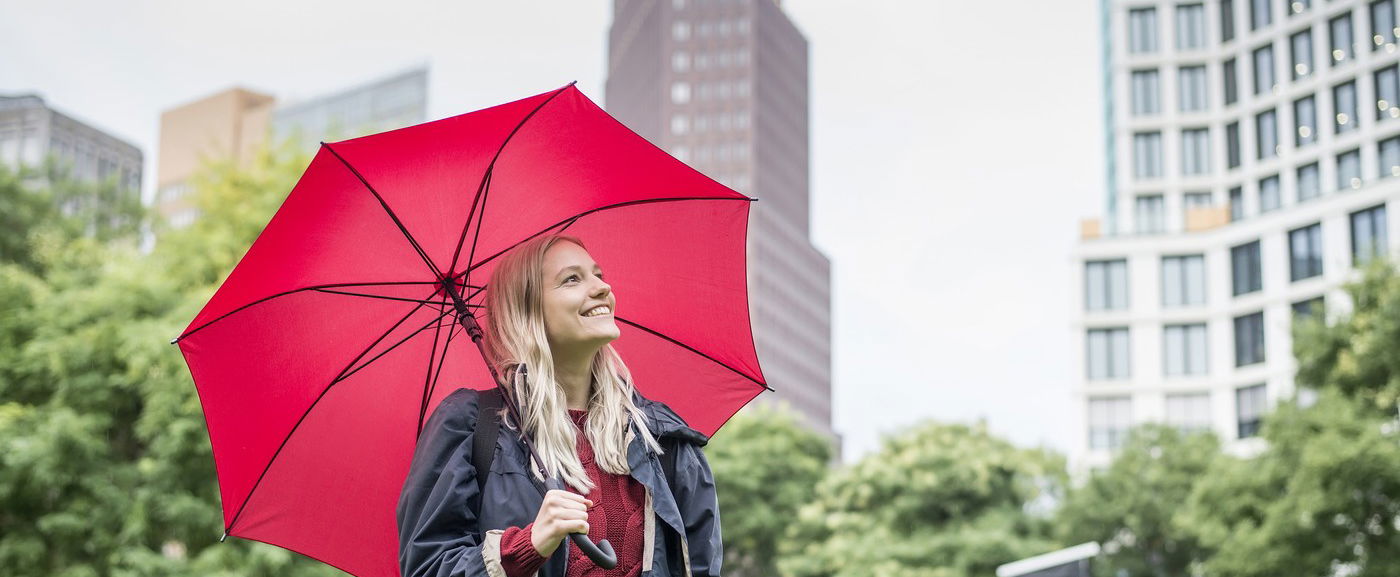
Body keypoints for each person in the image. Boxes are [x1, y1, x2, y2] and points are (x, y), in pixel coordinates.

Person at [396, 234, 723, 577]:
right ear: (527, 310)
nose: (602, 288)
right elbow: (427, 566)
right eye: (572, 279)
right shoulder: (470, 428)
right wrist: (525, 546)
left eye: (598, 275)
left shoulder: (662, 439)